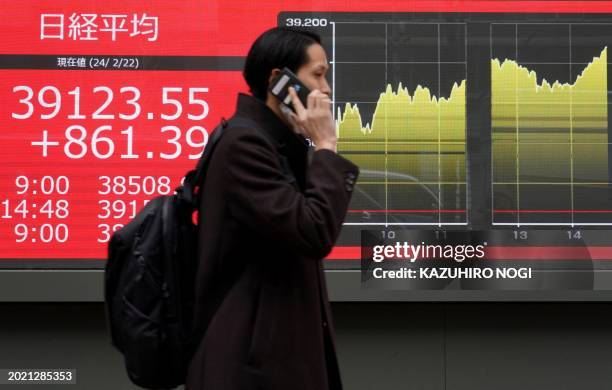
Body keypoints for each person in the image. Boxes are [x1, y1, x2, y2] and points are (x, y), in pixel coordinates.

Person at [185, 27, 359, 390]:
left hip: (264, 360)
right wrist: (325, 145)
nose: (325, 90)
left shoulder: (273, 144)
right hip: (249, 367)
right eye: (318, 75)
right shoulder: (245, 145)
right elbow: (313, 231)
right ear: (280, 81)